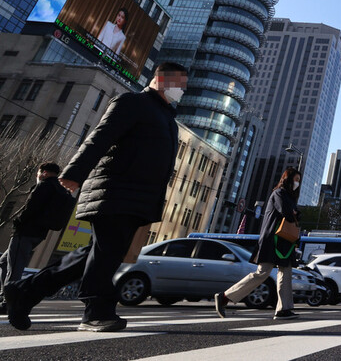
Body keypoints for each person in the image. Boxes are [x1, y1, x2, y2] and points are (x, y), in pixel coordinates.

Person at [5, 62, 188, 333]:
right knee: (106, 254)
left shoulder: (167, 119)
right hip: (114, 191)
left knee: (93, 254)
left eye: (184, 86)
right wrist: (74, 172)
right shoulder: (133, 102)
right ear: (159, 79)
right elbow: (100, 137)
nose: (181, 90)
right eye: (177, 83)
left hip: (137, 197)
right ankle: (96, 309)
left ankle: (24, 292)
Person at [215, 167, 301, 320]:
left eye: (299, 181)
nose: (297, 183)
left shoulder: (289, 196)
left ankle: (283, 309)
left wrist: (294, 212)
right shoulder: (279, 193)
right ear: (287, 179)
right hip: (272, 239)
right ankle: (225, 297)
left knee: (286, 272)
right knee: (262, 272)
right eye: (295, 180)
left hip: (284, 240)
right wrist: (293, 212)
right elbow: (287, 213)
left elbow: (294, 214)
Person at [0, 162, 63, 313]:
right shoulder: (60, 190)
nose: (38, 176)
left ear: (44, 173)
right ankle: (4, 294)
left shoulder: (43, 186)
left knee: (15, 267)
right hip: (39, 234)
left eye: (38, 173)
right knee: (4, 262)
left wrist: (17, 223)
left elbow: (30, 209)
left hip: (25, 233)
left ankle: (9, 302)